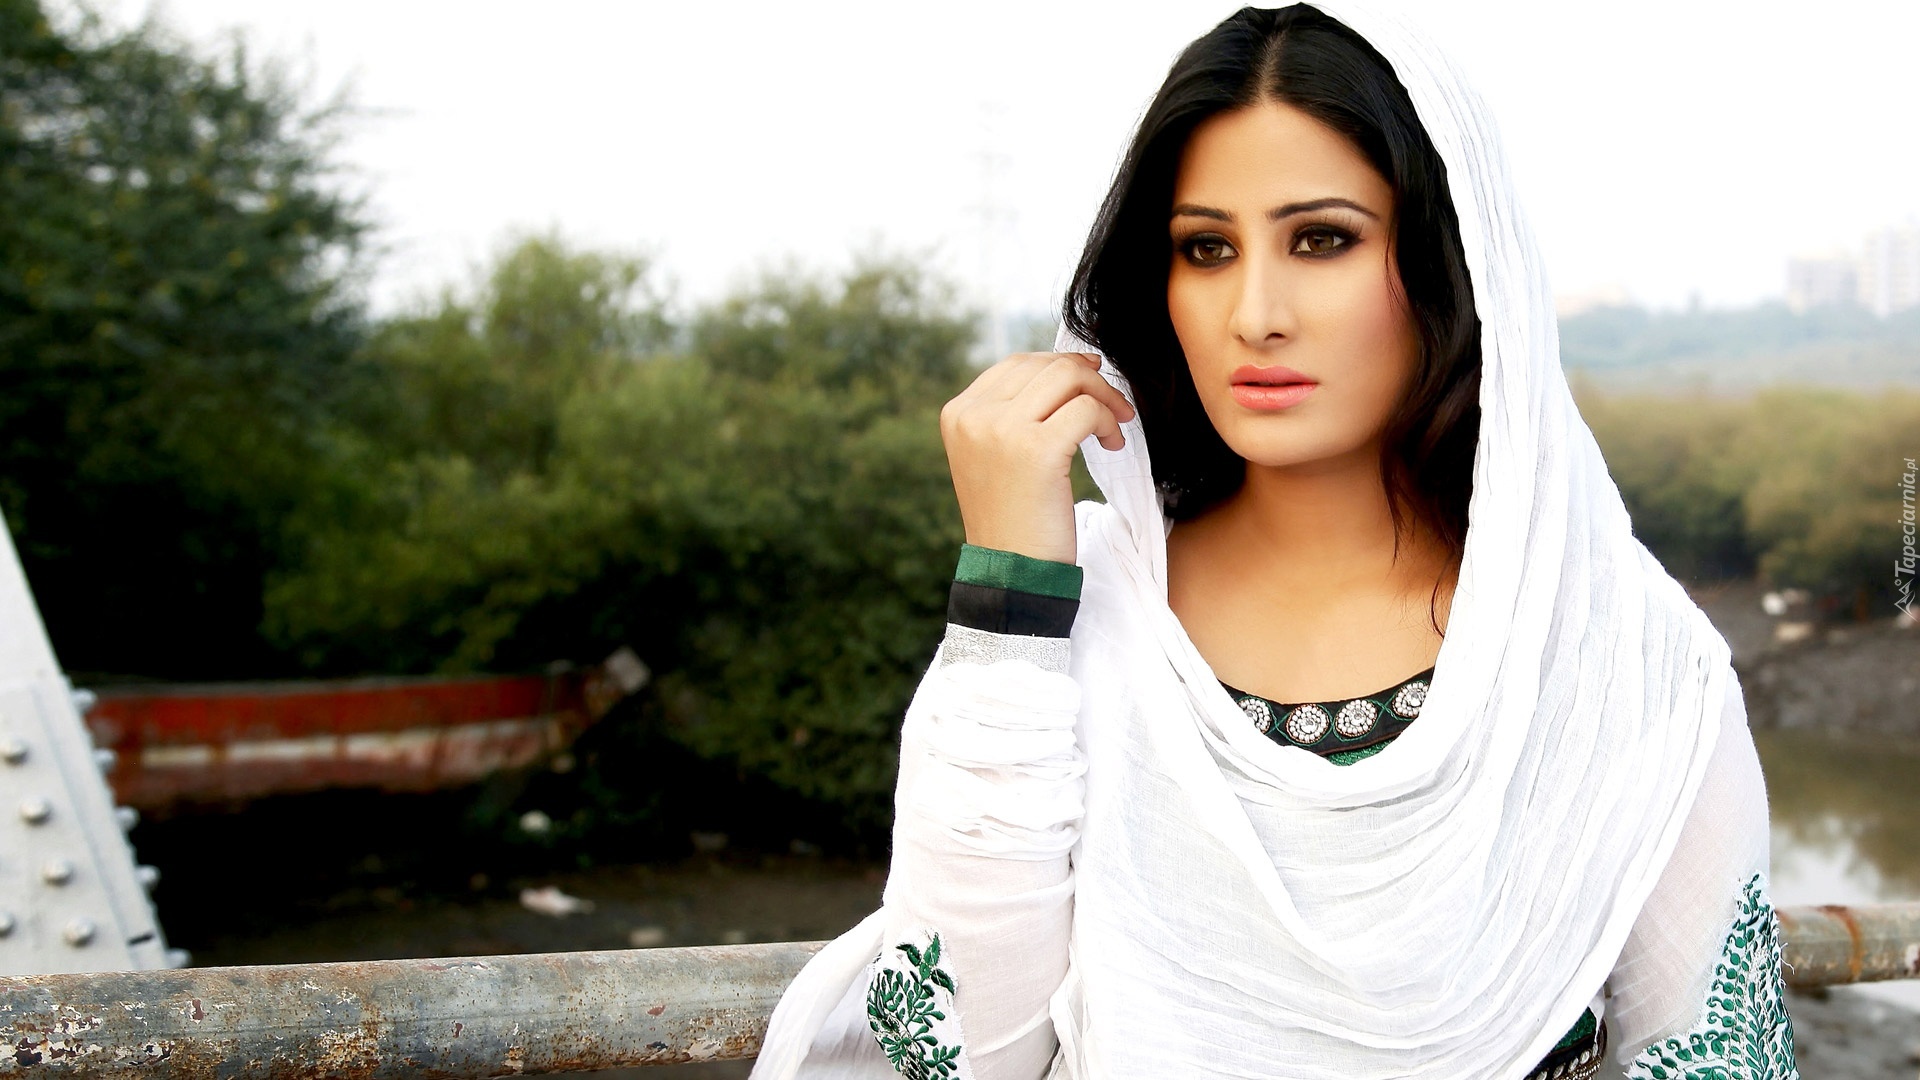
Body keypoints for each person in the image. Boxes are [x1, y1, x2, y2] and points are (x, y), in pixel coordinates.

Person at [750, 3, 1797, 1078]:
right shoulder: (1075, 616)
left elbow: (1719, 1060)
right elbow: (964, 1059)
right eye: (1206, 249)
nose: (1254, 313)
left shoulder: (1621, 658)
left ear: (1456, 263)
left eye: (1322, 239)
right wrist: (1009, 593)